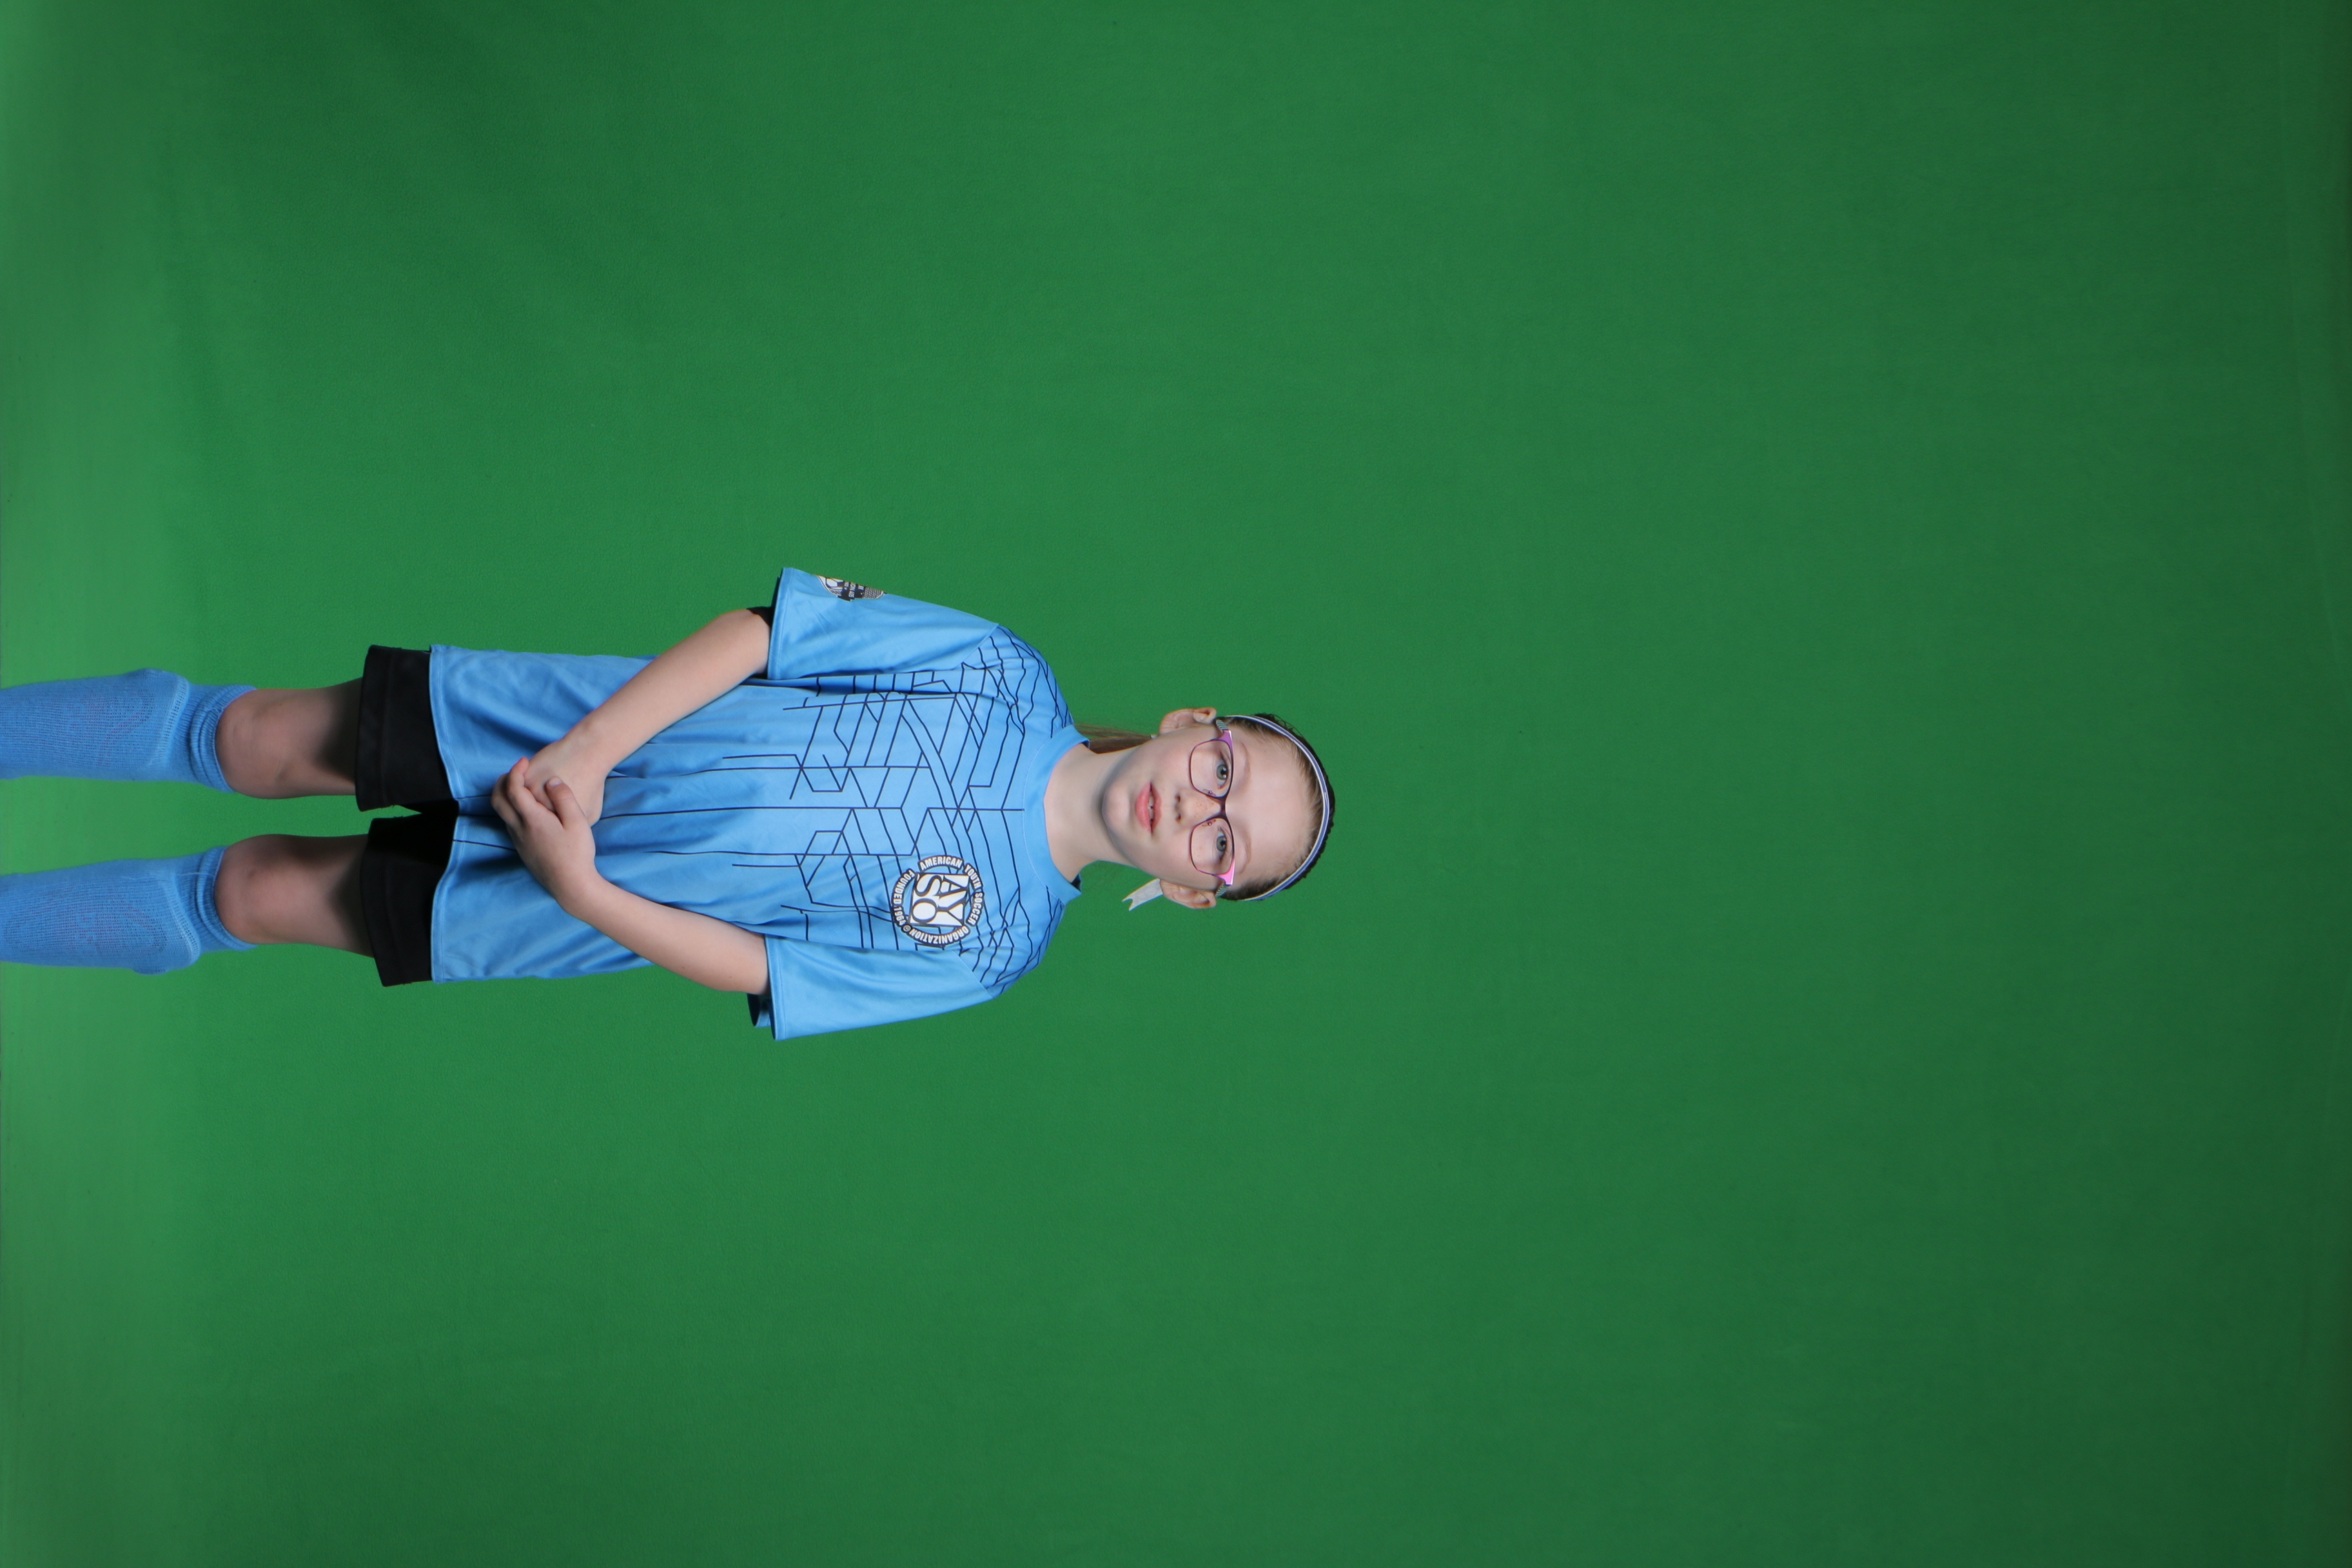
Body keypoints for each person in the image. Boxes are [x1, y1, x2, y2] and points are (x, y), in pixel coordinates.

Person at [0, 570, 1334, 1037]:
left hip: (569, 903)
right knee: (243, 736)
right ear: (1194, 725)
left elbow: (765, 969)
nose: (1197, 810)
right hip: (555, 732)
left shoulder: (992, 950)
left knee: (246, 895)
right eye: (1225, 770)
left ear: (1197, 892)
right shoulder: (1000, 670)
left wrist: (580, 885)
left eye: (1227, 846)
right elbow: (768, 634)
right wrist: (586, 751)